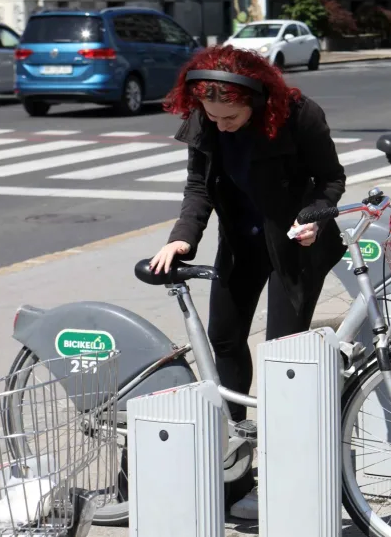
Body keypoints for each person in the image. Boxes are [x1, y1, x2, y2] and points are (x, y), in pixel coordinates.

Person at [149, 45, 346, 519]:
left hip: (296, 244)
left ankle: (289, 463)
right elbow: (198, 187)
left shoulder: (300, 115)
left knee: (284, 354)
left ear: (256, 100)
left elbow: (331, 179)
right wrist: (182, 238)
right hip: (241, 240)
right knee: (225, 338)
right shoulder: (206, 119)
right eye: (212, 117)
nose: (220, 125)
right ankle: (237, 446)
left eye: (229, 117)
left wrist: (314, 217)